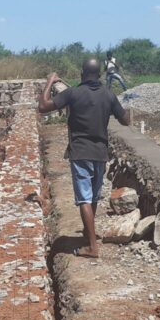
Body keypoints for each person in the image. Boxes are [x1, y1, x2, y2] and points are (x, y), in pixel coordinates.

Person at [38, 59, 131, 259]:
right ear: (99, 75)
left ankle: (92, 247)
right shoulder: (108, 95)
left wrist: (50, 82)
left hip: (80, 153)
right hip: (100, 153)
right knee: (92, 198)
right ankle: (89, 237)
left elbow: (43, 106)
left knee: (84, 199)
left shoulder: (73, 93)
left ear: (82, 74)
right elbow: (126, 121)